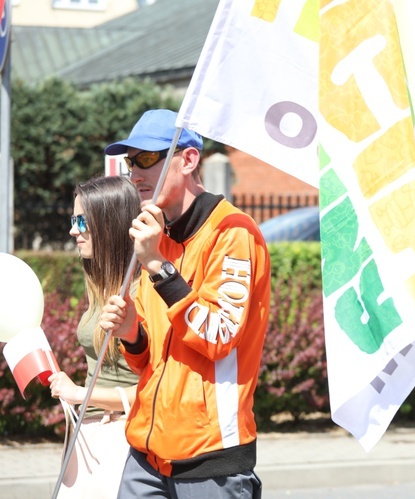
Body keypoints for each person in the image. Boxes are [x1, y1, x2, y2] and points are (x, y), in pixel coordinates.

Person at [98, 109, 271, 498]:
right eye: (130, 162)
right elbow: (147, 360)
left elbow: (218, 336)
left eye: (146, 158)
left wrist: (159, 268)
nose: (134, 173)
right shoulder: (157, 236)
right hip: (146, 456)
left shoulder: (234, 231)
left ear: (189, 159)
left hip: (211, 463)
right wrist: (131, 333)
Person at [48, 175, 141, 498]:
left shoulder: (141, 292)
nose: (73, 230)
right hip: (89, 434)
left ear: (108, 222)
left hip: (122, 440)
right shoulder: (99, 282)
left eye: (81, 221)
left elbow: (153, 387)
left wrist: (80, 394)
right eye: (73, 220)